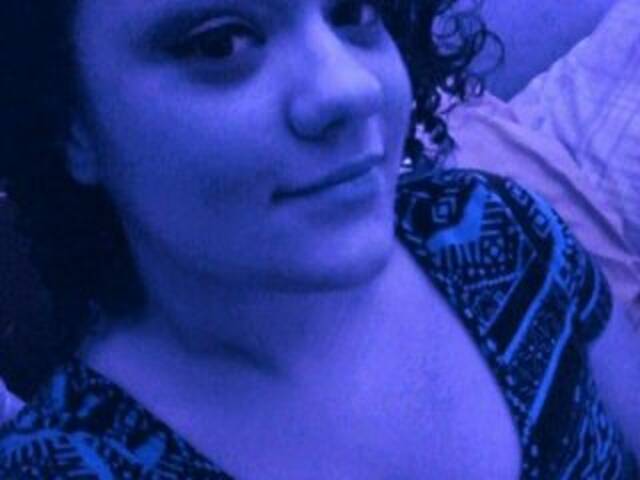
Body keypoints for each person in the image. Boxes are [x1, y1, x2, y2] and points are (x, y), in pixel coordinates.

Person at [0, 0, 638, 478]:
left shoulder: (502, 229)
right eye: (219, 43)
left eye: (352, 12)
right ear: (72, 127)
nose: (352, 87)